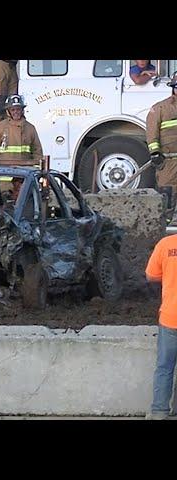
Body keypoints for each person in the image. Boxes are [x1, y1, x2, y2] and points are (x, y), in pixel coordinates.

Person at [144, 233, 177, 419]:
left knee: (165, 366)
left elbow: (151, 276)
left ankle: (159, 412)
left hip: (171, 317)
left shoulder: (166, 244)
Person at [0, 94, 43, 166]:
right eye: (13, 109)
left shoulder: (30, 128)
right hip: (5, 173)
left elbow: (37, 152)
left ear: (22, 110)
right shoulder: (0, 127)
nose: (16, 112)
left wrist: (35, 170)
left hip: (25, 173)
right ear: (8, 111)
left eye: (18, 109)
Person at [147, 72, 177, 200]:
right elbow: (152, 132)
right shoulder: (160, 108)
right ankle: (165, 220)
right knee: (167, 196)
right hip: (168, 161)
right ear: (174, 89)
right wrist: (155, 153)